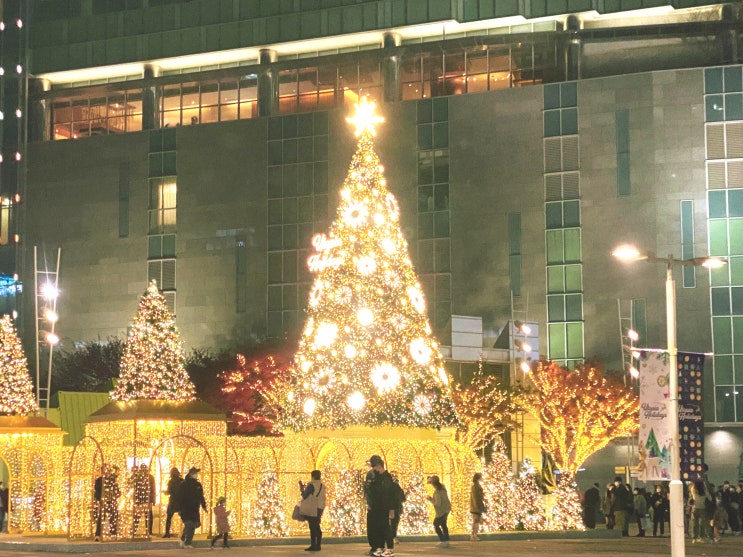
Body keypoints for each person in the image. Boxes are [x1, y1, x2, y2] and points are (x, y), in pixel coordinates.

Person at [364, 455, 396, 557]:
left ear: (378, 466)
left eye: (374, 467)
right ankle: (378, 548)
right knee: (375, 528)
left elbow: (389, 494)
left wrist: (391, 508)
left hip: (383, 507)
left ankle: (387, 548)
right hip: (374, 507)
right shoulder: (374, 476)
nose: (373, 469)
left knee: (384, 528)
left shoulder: (386, 477)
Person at [179, 467, 207, 548]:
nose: (196, 475)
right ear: (191, 474)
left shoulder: (198, 485)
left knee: (193, 525)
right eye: (195, 473)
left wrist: (204, 505)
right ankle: (183, 539)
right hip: (186, 508)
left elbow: (201, 496)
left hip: (195, 508)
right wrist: (179, 508)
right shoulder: (184, 484)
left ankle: (188, 542)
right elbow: (180, 497)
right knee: (189, 523)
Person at [299, 469, 326, 552]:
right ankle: (318, 545)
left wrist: (302, 489)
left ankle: (314, 545)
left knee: (312, 526)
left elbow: (304, 495)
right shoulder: (322, 485)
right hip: (320, 507)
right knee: (317, 525)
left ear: (313, 476)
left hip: (313, 507)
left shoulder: (311, 485)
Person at [427, 475, 451, 548]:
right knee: (444, 524)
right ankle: (446, 540)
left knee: (436, 524)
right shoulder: (443, 488)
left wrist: (430, 499)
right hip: (447, 509)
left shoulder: (437, 492)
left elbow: (438, 503)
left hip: (441, 511)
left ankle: (443, 540)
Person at [163, 467, 183, 538]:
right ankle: (185, 532)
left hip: (173, 501)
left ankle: (167, 533)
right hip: (180, 501)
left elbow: (169, 491)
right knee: (184, 518)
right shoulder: (182, 481)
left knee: (169, 517)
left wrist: (164, 492)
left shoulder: (171, 481)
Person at [469, 473, 486, 540]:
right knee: (476, 521)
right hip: (476, 507)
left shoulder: (476, 486)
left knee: (476, 521)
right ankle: (473, 534)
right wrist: (477, 506)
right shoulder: (475, 486)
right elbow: (475, 497)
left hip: (477, 506)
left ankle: (474, 534)